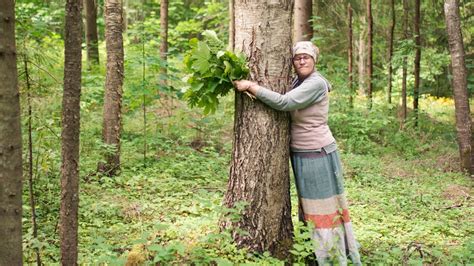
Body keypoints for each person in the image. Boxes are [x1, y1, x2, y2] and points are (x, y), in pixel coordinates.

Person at [234, 41, 362, 265]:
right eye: (297, 57)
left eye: (307, 57)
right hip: (305, 152)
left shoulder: (315, 83)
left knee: (323, 209)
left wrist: (251, 86)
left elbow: (285, 102)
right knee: (312, 209)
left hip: (317, 152)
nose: (302, 60)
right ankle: (321, 253)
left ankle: (333, 259)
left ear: (315, 60)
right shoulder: (298, 81)